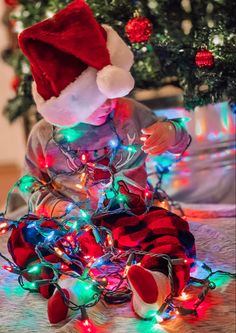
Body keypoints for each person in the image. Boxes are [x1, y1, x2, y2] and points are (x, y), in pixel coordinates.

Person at [12, 0, 195, 324]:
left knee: (171, 228)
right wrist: (51, 206)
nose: (109, 103)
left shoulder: (130, 113)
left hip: (128, 216)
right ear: (66, 102)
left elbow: (180, 140)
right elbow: (30, 183)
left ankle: (155, 285)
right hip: (70, 226)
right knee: (24, 237)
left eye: (110, 93)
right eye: (96, 99)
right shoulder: (43, 135)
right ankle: (67, 286)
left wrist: (170, 132)